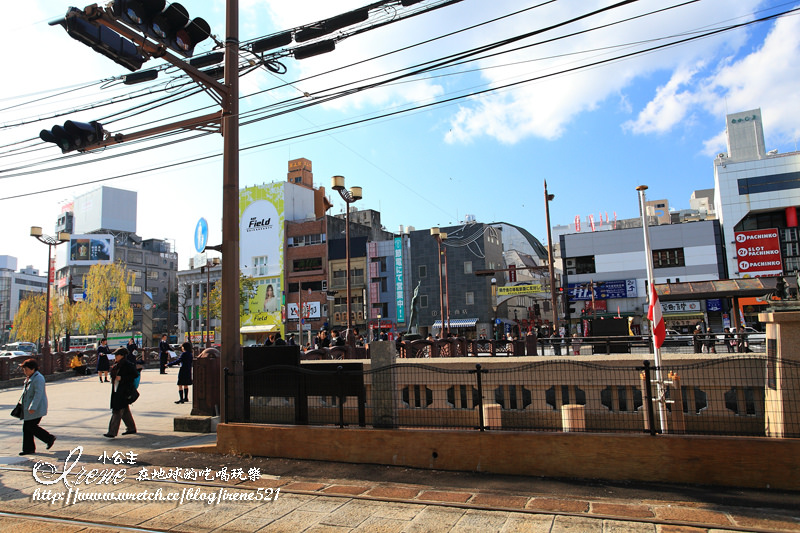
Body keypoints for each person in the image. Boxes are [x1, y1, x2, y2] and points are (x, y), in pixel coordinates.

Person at [18, 359, 56, 455]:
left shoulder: (38, 378)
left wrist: (33, 407)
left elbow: (38, 394)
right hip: (29, 408)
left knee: (30, 426)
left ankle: (49, 438)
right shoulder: (30, 378)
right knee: (27, 427)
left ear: (33, 369)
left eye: (26, 369)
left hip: (36, 408)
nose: (24, 372)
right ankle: (29, 449)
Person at [104, 348, 137, 438]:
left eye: (116, 355)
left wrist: (122, 378)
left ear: (122, 356)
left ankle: (112, 431)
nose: (115, 357)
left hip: (124, 391)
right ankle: (131, 428)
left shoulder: (127, 365)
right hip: (117, 389)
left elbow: (134, 375)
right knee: (125, 410)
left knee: (117, 410)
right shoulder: (117, 365)